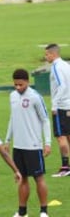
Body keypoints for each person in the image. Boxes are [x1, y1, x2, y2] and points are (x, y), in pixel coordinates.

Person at [4, 69, 51, 217]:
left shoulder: (35, 97)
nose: (18, 88)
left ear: (27, 82)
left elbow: (45, 120)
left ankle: (43, 211)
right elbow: (13, 118)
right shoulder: (12, 96)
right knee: (22, 178)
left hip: (33, 146)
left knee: (39, 178)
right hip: (18, 146)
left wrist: (47, 142)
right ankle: (22, 212)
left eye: (21, 85)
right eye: (15, 85)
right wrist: (7, 140)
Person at [44, 43, 70, 177]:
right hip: (69, 104)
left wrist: (55, 105)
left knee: (61, 137)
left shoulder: (55, 67)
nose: (46, 57)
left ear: (53, 54)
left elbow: (62, 85)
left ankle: (65, 167)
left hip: (61, 106)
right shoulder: (66, 65)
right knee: (68, 136)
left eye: (47, 54)